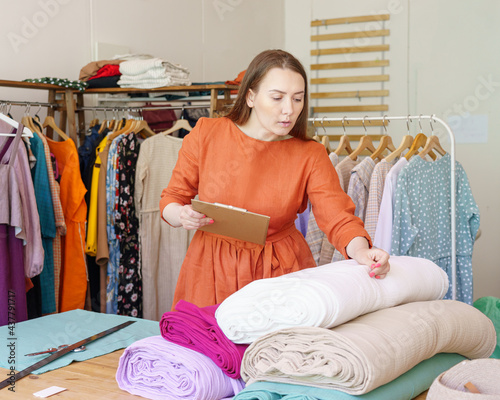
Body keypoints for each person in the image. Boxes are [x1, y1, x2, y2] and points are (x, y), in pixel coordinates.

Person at [160, 49, 390, 309]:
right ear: (250, 96)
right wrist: (181, 215)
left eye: (297, 99)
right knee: (205, 345)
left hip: (281, 272)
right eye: (278, 97)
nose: (288, 110)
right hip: (211, 268)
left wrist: (360, 251)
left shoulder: (309, 154)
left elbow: (338, 218)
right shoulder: (207, 133)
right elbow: (171, 199)